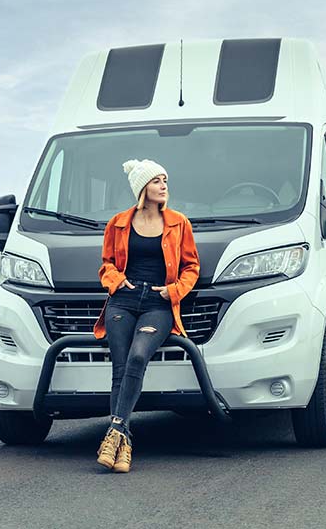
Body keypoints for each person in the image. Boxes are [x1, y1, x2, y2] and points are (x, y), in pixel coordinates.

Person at [92, 158, 200, 473]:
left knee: (138, 356)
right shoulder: (118, 223)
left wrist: (174, 291)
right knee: (120, 368)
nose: (163, 186)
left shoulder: (179, 223)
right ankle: (122, 446)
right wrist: (116, 281)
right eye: (157, 181)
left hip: (158, 304)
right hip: (122, 301)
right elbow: (107, 264)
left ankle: (114, 432)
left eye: (165, 180)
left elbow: (191, 266)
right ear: (142, 188)